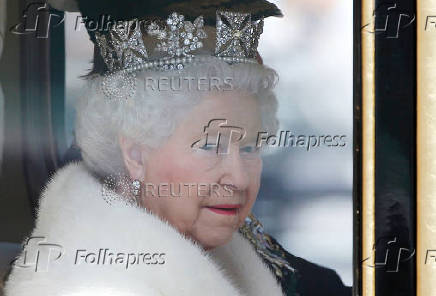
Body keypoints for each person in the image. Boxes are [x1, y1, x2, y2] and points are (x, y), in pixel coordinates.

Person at [3, 1, 351, 295]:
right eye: (210, 146)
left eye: (249, 148)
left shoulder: (268, 265)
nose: (239, 179)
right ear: (135, 154)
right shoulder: (93, 284)